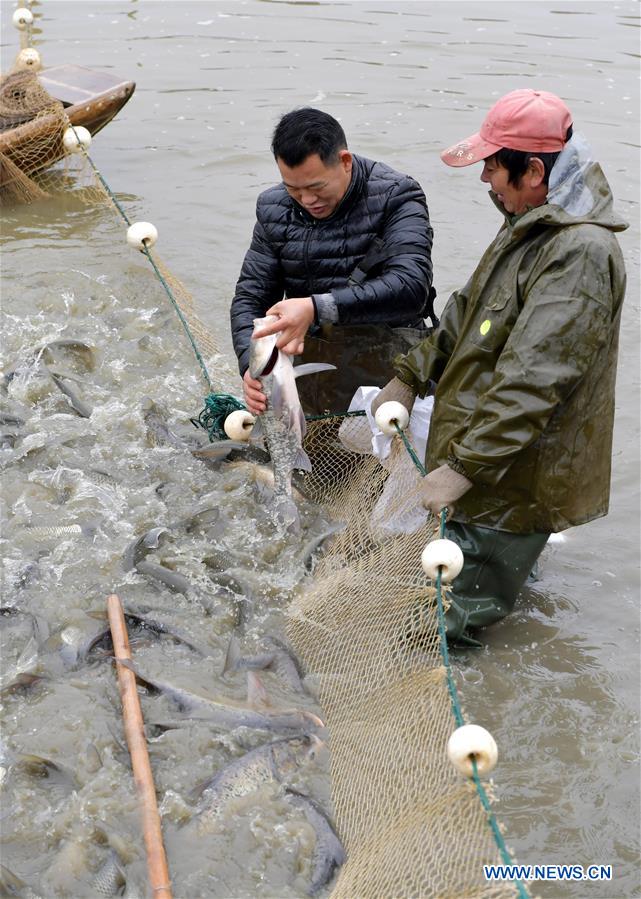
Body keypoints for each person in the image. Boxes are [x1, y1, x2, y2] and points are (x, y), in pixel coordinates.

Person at [373, 88, 627, 644]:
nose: (485, 177)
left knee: (437, 634)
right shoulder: (530, 218)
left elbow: (533, 382)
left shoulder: (579, 252)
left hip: (512, 484)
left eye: (493, 164)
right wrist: (410, 377)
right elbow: (468, 309)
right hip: (489, 464)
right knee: (468, 601)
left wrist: (463, 468)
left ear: (534, 169)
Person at [230, 107, 436, 416]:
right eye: (293, 188)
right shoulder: (273, 208)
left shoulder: (398, 196)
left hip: (391, 372)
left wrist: (315, 307)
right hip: (314, 370)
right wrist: (251, 364)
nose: (307, 199)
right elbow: (251, 298)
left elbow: (410, 287)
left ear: (345, 162)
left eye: (316, 187)